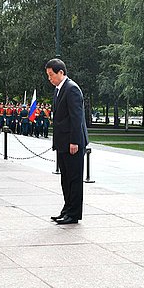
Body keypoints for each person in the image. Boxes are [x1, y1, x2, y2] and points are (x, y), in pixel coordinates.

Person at [46, 58, 89, 225]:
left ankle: (74, 213)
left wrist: (74, 141)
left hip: (73, 143)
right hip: (63, 142)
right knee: (65, 178)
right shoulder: (59, 89)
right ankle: (67, 209)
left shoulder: (71, 89)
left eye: (51, 75)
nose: (50, 78)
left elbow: (76, 118)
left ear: (61, 73)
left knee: (74, 179)